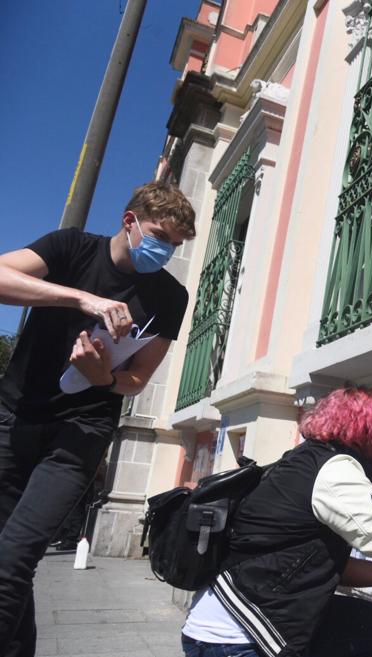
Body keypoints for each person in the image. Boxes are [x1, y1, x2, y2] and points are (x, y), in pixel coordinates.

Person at [0, 182, 195, 657]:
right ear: (129, 222)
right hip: (15, 416)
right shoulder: (71, 248)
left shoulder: (170, 297)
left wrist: (103, 377)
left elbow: (137, 380)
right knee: (10, 566)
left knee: (12, 560)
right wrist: (80, 299)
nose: (164, 250)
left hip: (81, 434)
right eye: (158, 235)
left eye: (173, 244)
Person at [180, 388, 372, 657]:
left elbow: (320, 562)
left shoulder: (298, 462)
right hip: (240, 635)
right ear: (366, 436)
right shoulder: (335, 470)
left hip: (219, 622)